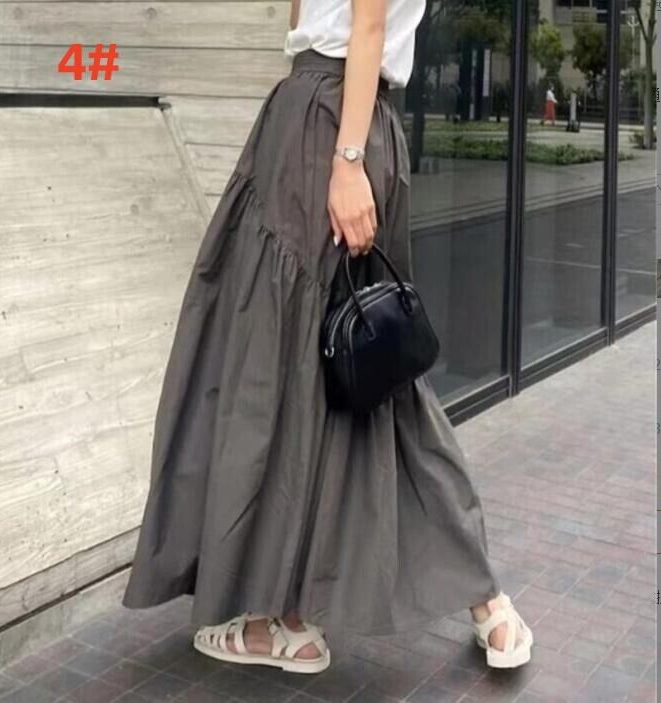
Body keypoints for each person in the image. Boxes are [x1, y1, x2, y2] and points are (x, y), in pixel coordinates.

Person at [121, 0, 534, 674]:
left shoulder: (338, 125)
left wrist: (346, 162)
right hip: (346, 119)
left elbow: (361, 26)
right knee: (358, 372)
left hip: (328, 127)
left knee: (303, 363)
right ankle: (313, 616)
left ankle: (298, 619)